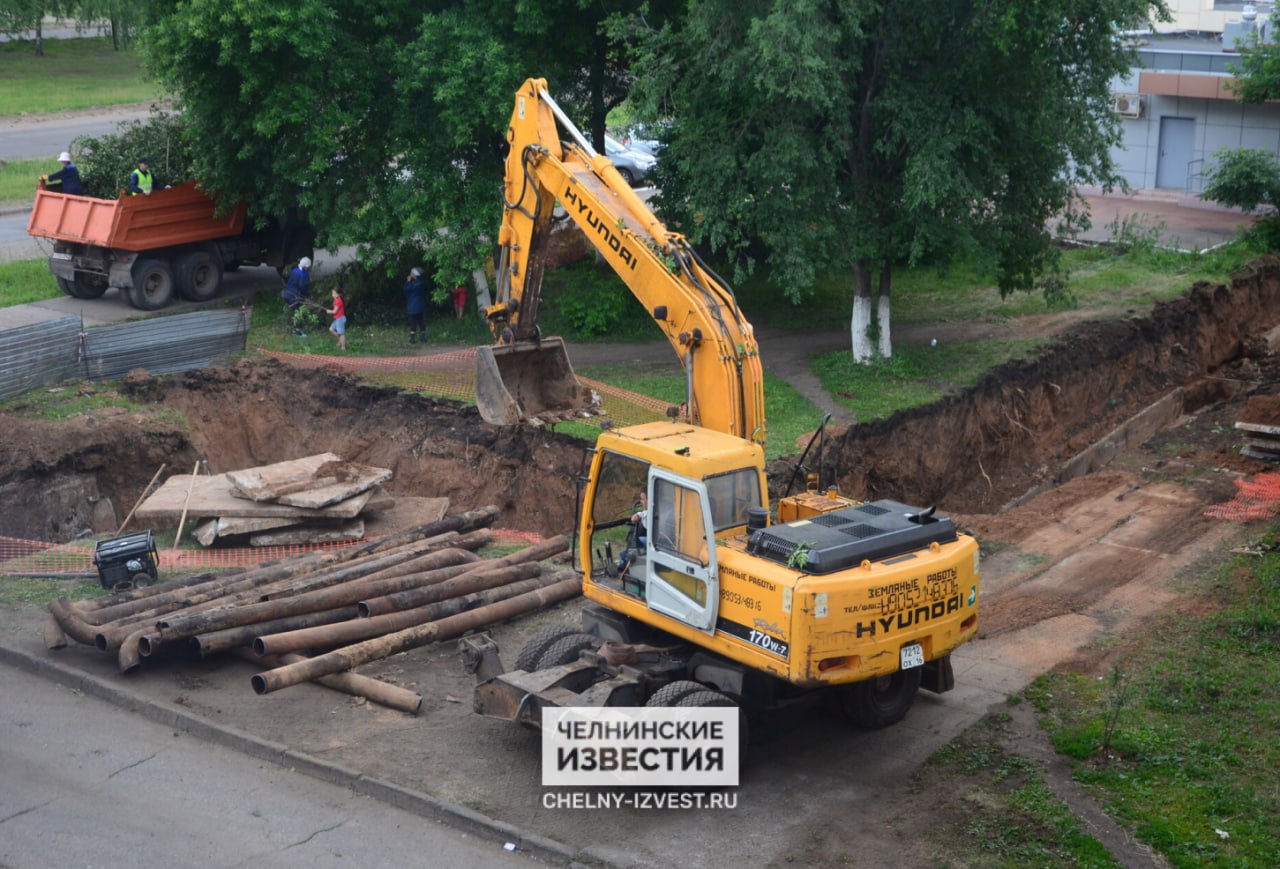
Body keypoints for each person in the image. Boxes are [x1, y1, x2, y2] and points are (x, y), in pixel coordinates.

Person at [283, 256, 313, 335]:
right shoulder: (304, 275)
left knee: (294, 311)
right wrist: (306, 295)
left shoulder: (294, 270)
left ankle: (293, 325)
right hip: (296, 297)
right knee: (298, 312)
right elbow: (303, 287)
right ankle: (296, 330)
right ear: (306, 266)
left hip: (287, 294)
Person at [404, 266, 427, 344]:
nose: (410, 274)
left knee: (413, 322)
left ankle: (412, 338)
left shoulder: (412, 284)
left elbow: (406, 289)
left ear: (415, 274)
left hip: (413, 305)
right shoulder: (422, 282)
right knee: (421, 321)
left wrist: (408, 281)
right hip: (421, 305)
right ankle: (423, 336)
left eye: (412, 273)